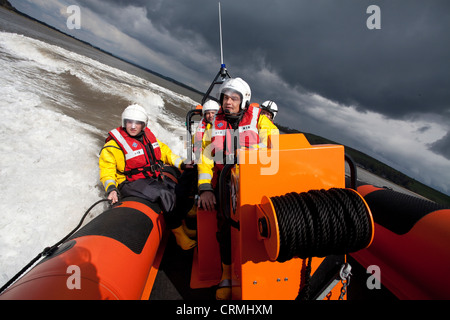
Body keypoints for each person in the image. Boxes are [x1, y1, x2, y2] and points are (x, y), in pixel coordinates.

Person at [197, 78, 279, 299]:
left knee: (256, 229)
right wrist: (205, 187)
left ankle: (257, 272)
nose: (228, 102)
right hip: (225, 183)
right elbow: (204, 156)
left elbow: (274, 142)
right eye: (225, 97)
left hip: (253, 182)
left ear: (244, 101)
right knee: (224, 229)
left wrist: (250, 155)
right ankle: (227, 275)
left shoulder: (259, 120)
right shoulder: (214, 124)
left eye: (234, 98)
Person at [99, 104, 196, 250]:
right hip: (129, 182)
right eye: (129, 122)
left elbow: (165, 153)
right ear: (124, 122)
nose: (133, 126)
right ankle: (180, 236)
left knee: (174, 189)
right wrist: (111, 189)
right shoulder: (113, 147)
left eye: (137, 123)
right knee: (163, 194)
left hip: (149, 178)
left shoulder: (149, 138)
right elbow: (107, 171)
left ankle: (182, 224)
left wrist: (182, 164)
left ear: (143, 125)